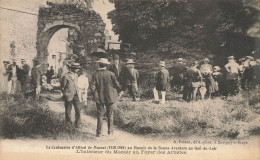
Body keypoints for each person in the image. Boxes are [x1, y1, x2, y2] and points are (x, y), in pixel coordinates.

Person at [90, 58, 121, 137]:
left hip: (99, 97)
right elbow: (117, 85)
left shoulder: (95, 74)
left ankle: (99, 133)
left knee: (100, 115)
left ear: (99, 65)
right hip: (110, 97)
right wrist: (117, 91)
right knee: (110, 115)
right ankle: (110, 132)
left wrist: (94, 94)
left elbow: (92, 87)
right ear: (107, 65)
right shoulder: (111, 74)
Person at [61, 62, 81, 128]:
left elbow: (76, 85)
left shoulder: (76, 75)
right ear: (73, 68)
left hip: (76, 95)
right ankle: (68, 124)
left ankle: (77, 124)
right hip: (68, 95)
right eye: (77, 68)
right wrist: (65, 93)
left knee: (78, 109)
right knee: (68, 110)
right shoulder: (66, 76)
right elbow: (63, 87)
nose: (78, 69)